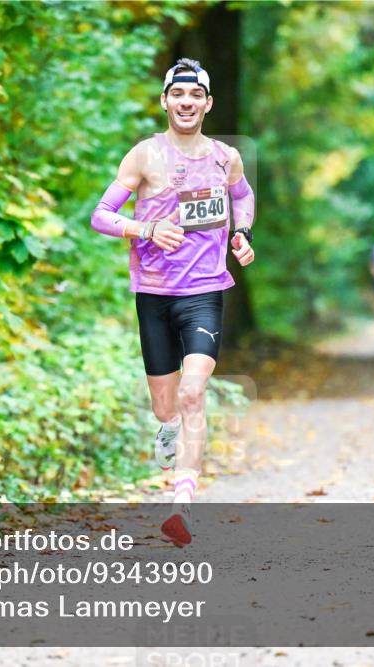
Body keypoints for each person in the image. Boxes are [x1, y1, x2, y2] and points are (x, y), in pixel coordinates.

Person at [90, 58, 256, 546]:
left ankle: (181, 506)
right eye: (177, 95)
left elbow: (242, 198)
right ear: (165, 101)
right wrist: (145, 228)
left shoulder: (226, 158)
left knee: (191, 394)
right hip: (154, 295)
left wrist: (241, 232)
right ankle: (167, 430)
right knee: (166, 408)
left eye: (195, 95)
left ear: (208, 103)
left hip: (205, 290)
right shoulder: (144, 156)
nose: (186, 102)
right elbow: (101, 216)